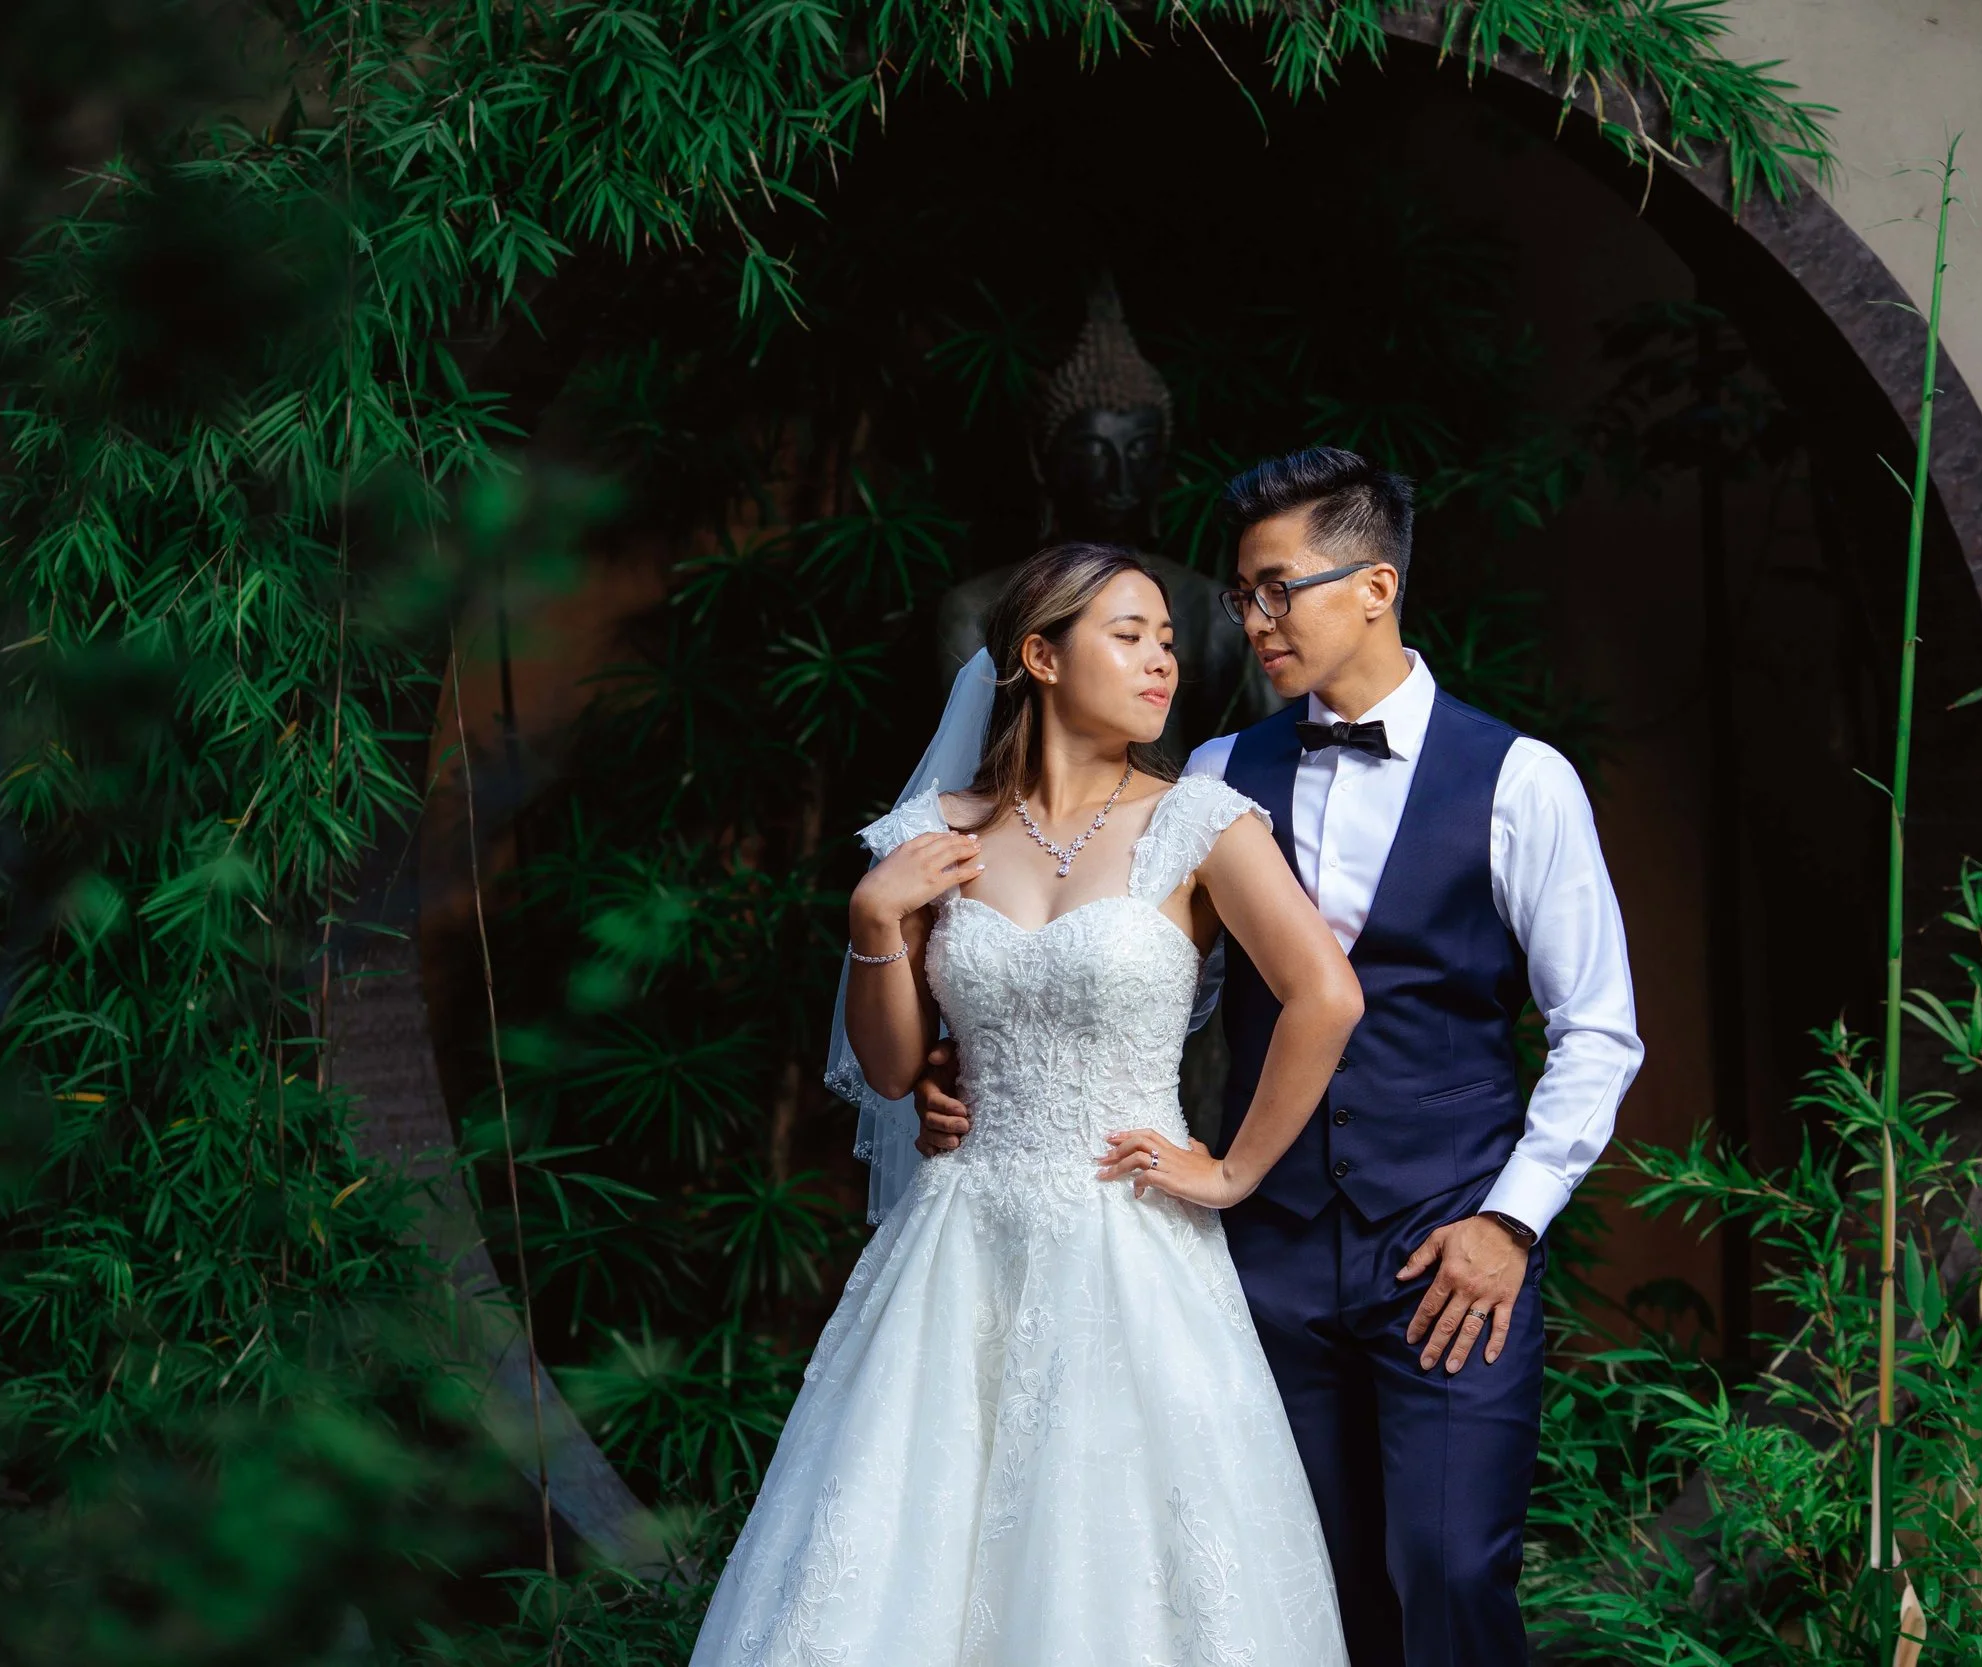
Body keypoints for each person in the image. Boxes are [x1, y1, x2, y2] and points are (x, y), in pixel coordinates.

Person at [913, 449, 1644, 1665]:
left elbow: (1598, 1030)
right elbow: (1135, 983)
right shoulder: (1208, 776)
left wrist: (1510, 1222)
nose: (1248, 622)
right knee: (1295, 1584)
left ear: (1374, 585)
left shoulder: (1523, 780)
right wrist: (970, 1064)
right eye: (1244, 595)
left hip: (1447, 1247)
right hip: (1265, 1259)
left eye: (1273, 589)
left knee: (1449, 1567)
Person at [691, 543, 1362, 1665]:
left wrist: (1232, 1168)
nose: (1161, 659)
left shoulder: (1199, 820)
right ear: (1038, 655)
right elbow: (897, 1069)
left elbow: (1324, 995)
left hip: (1131, 1240)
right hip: (961, 1237)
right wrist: (871, 925)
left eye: (1164, 637)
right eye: (1126, 633)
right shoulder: (929, 837)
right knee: (906, 1546)